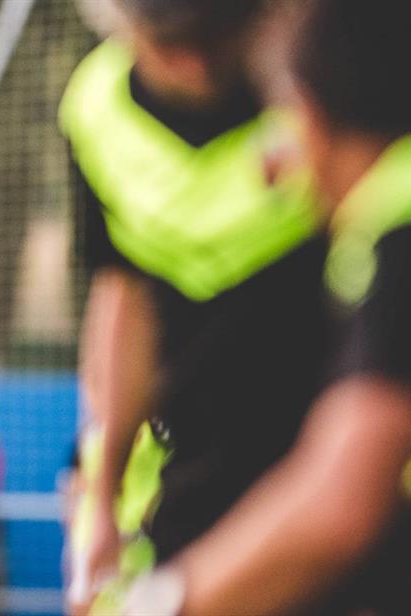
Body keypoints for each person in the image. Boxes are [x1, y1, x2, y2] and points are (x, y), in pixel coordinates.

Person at [125, 0, 411, 613]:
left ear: (316, 110)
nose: (271, 160)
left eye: (281, 115)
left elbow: (341, 495)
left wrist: (162, 601)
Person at [58, 0, 331, 611]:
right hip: (194, 471)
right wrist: (103, 501)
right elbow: (124, 294)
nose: (197, 64)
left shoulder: (335, 73)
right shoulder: (96, 109)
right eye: (170, 43)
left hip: (334, 454)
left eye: (215, 33)